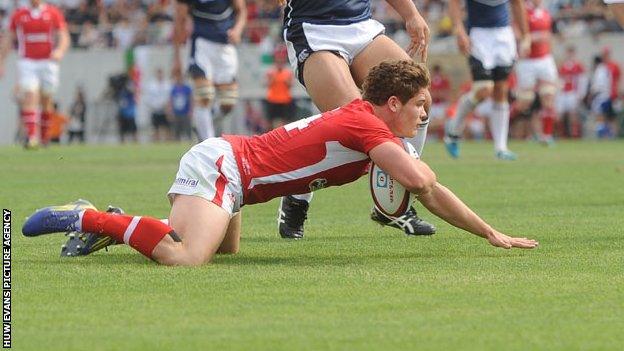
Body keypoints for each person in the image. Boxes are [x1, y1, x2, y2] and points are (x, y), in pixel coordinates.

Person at [22, 60, 539, 266]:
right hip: (225, 166)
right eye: (421, 106)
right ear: (394, 104)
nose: (425, 115)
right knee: (186, 259)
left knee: (223, 251)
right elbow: (425, 185)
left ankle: (119, 225)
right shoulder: (368, 127)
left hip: (238, 175)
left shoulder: (370, 123)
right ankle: (85, 216)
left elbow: (417, 182)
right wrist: (491, 234)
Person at [276, 0, 435, 240]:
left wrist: (411, 14)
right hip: (314, 29)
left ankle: (393, 202)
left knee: (417, 97)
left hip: (360, 26)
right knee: (355, 122)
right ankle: (297, 196)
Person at [445, 0, 529, 160]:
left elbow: (517, 4)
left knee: (501, 90)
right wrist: (459, 31)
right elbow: (454, 3)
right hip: (478, 34)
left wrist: (526, 36)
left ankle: (501, 147)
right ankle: (454, 128)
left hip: (503, 35)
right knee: (483, 90)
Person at [173, 0, 246, 141]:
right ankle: (207, 143)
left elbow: (241, 11)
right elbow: (179, 19)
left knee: (228, 102)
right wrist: (177, 57)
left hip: (225, 45)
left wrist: (237, 30)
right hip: (201, 44)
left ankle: (202, 122)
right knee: (204, 95)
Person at [0, 0, 70, 149]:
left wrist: (60, 51)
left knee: (46, 99)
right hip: (27, 62)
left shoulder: (52, 12)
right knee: (30, 96)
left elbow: (63, 35)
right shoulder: (19, 15)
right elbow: (8, 39)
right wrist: (1, 61)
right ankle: (32, 137)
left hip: (48, 62)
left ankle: (45, 137)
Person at [514, 0, 558, 145]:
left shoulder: (545, 12)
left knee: (549, 95)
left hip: (545, 59)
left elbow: (549, 34)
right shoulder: (523, 10)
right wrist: (531, 38)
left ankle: (546, 135)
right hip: (527, 61)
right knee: (525, 101)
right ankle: (502, 125)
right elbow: (516, 33)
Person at [557, 46, 586, 138]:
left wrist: (581, 93)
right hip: (563, 93)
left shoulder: (578, 66)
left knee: (572, 115)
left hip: (572, 93)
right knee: (560, 115)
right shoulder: (562, 65)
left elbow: (582, 80)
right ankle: (562, 134)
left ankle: (574, 134)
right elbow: (558, 79)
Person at [264, 47, 294, 128]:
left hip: (285, 100)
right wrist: (272, 79)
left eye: (281, 61)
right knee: (270, 121)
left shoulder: (288, 73)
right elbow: (267, 84)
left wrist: (286, 81)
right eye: (278, 61)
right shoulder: (271, 72)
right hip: (273, 99)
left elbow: (291, 85)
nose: (280, 63)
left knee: (286, 121)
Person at [145, 68, 172, 142]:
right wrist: (153, 106)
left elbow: (170, 97)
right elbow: (148, 98)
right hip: (155, 110)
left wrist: (167, 107)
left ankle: (167, 143)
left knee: (166, 128)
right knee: (155, 128)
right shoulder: (151, 85)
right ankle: (156, 142)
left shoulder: (167, 84)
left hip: (165, 110)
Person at [170, 68, 194, 141]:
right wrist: (171, 111)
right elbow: (171, 100)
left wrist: (190, 111)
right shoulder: (174, 89)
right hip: (177, 112)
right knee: (177, 130)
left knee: (187, 128)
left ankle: (189, 140)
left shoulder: (187, 89)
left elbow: (191, 100)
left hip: (185, 112)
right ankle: (177, 142)